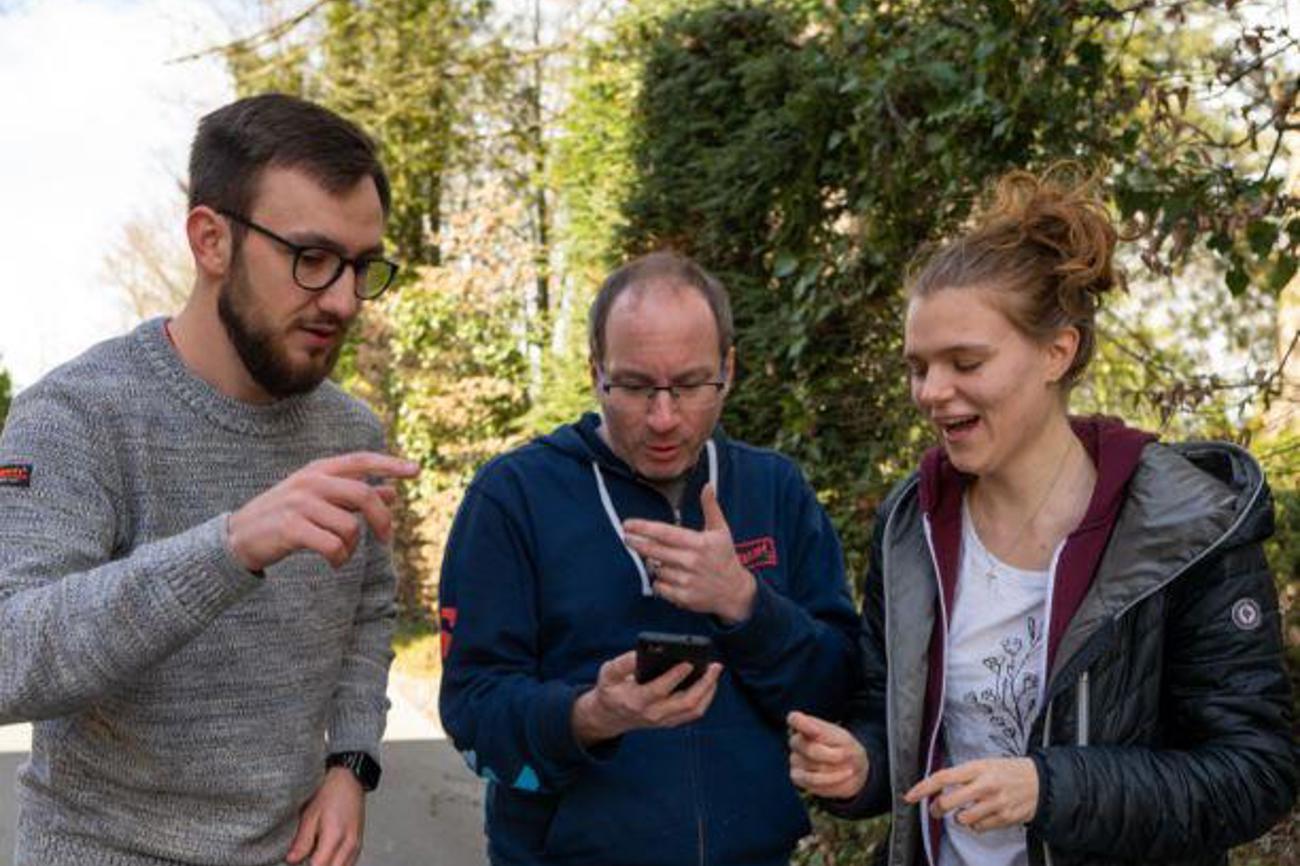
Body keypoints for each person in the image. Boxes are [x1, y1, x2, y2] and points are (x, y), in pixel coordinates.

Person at [786, 168, 1298, 866]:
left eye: (966, 362)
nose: (933, 392)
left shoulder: (1185, 527)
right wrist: (864, 766)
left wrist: (1049, 788)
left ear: (1057, 352)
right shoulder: (913, 527)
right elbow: (890, 714)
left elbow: (1254, 774)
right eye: (918, 367)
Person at [0, 93, 420, 866]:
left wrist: (351, 763)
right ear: (210, 239)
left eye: (363, 267)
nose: (342, 299)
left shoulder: (350, 431)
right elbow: (9, 660)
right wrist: (230, 547)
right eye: (313, 258)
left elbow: (368, 608)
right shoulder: (76, 416)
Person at [438, 251, 861, 865]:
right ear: (595, 372)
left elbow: (840, 691)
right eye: (634, 387)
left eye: (691, 385)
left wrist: (746, 604)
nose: (664, 418)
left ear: (729, 369)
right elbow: (473, 712)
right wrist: (588, 717)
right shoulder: (512, 499)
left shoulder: (775, 491)